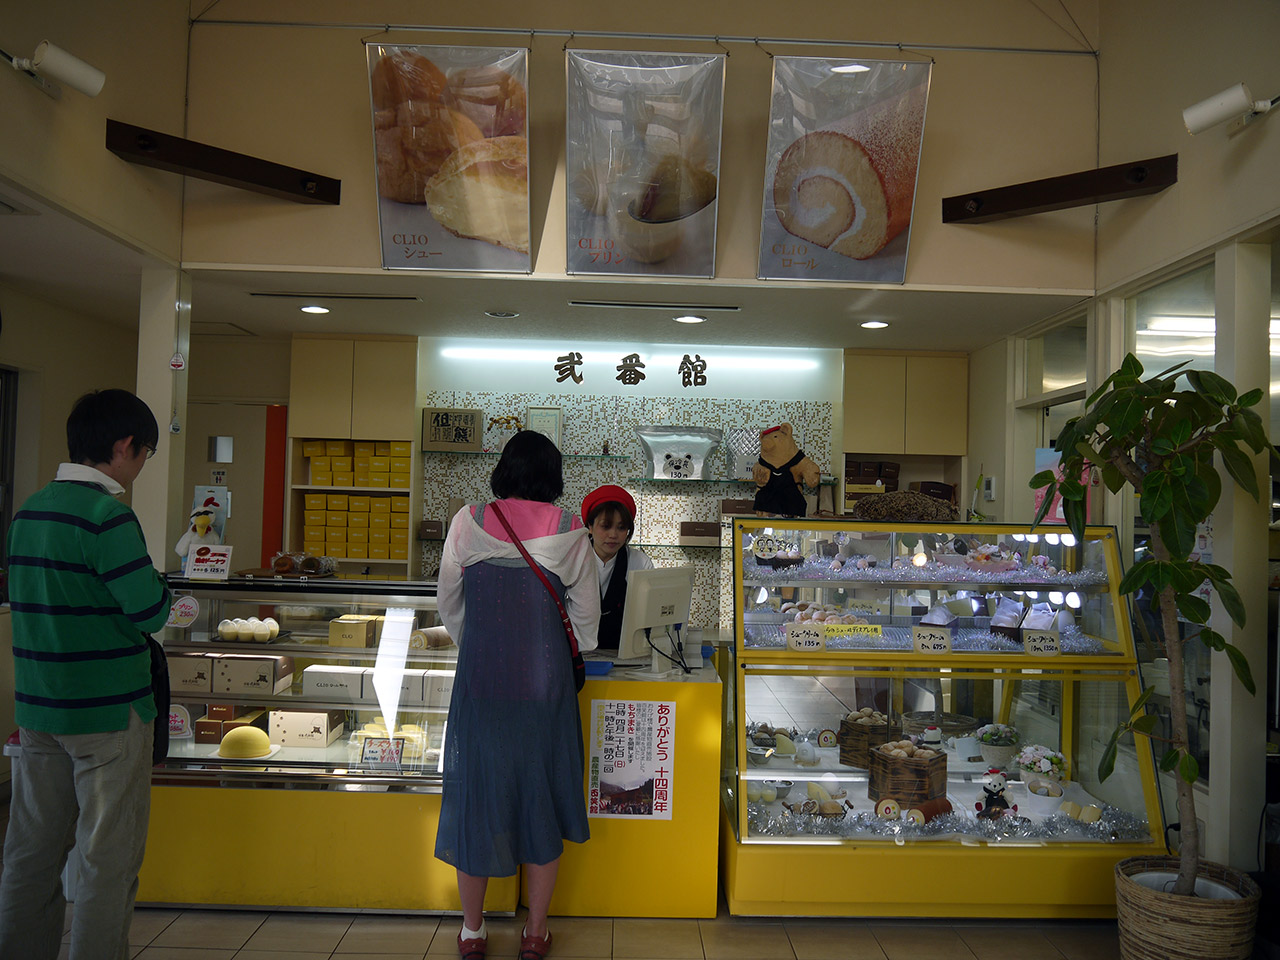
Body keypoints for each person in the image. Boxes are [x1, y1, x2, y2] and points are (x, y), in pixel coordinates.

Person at [0, 389, 171, 960]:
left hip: (39, 710)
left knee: (30, 857)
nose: (142, 466)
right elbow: (150, 611)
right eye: (144, 452)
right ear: (123, 446)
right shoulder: (108, 517)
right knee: (106, 862)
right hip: (107, 715)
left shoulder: (28, 512)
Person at [434, 431, 599, 960]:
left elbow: (448, 603)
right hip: (544, 691)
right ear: (552, 475)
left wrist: (482, 644)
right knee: (542, 799)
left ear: (504, 469)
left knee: (477, 798)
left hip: (481, 686)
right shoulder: (574, 531)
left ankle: (472, 931)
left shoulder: (467, 522)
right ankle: (534, 934)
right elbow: (588, 626)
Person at [579, 484, 653, 651]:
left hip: (624, 653)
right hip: (578, 654)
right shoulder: (575, 560)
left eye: (621, 528)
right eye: (606, 526)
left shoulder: (639, 563)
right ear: (590, 526)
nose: (613, 535)